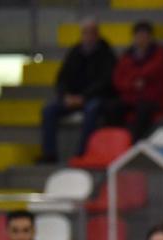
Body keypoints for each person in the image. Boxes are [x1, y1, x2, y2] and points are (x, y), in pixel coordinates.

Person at [39, 18, 116, 163]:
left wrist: (84, 97)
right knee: (48, 110)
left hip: (94, 97)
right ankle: (49, 154)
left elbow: (106, 81)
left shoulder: (106, 53)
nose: (88, 36)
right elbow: (61, 78)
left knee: (92, 109)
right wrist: (65, 96)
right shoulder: (75, 51)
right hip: (72, 97)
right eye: (85, 33)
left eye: (91, 33)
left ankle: (82, 153)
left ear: (97, 34)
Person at [111, 21, 163, 142]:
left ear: (150, 38)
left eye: (144, 36)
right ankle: (115, 142)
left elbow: (153, 70)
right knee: (113, 107)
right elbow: (118, 80)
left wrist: (133, 77)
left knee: (143, 109)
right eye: (138, 36)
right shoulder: (126, 56)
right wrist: (133, 83)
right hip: (131, 97)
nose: (141, 39)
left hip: (153, 99)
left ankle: (135, 144)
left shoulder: (159, 53)